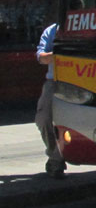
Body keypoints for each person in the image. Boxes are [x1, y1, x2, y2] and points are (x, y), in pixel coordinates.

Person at [35, 23, 66, 179]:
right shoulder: (52, 30)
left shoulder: (90, 26)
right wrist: (58, 55)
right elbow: (41, 57)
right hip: (54, 81)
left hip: (83, 79)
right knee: (43, 118)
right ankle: (56, 159)